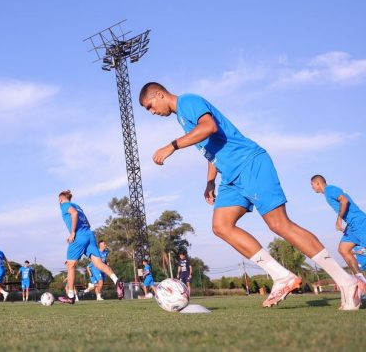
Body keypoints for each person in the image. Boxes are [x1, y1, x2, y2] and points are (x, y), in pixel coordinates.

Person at [139, 82, 361, 309]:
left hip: (250, 163)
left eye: (150, 106)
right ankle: (281, 276)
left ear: (159, 94)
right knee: (221, 226)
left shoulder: (188, 101)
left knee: (279, 224)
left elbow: (209, 127)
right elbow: (209, 148)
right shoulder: (182, 118)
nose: (152, 112)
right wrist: (209, 181)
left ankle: (347, 282)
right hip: (231, 177)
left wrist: (172, 146)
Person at [57, 190, 118, 304]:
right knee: (98, 264)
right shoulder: (77, 206)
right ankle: (116, 280)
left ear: (60, 199)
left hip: (79, 236)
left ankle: (70, 295)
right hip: (90, 235)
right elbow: (88, 223)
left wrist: (73, 232)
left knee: (71, 266)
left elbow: (73, 214)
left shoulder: (64, 205)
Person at [310, 175, 366, 293]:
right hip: (352, 226)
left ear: (318, 183)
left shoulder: (329, 189)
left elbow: (344, 200)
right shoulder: (328, 193)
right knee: (343, 249)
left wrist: (339, 219)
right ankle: (362, 283)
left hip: (359, 223)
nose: (312, 187)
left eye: (312, 185)